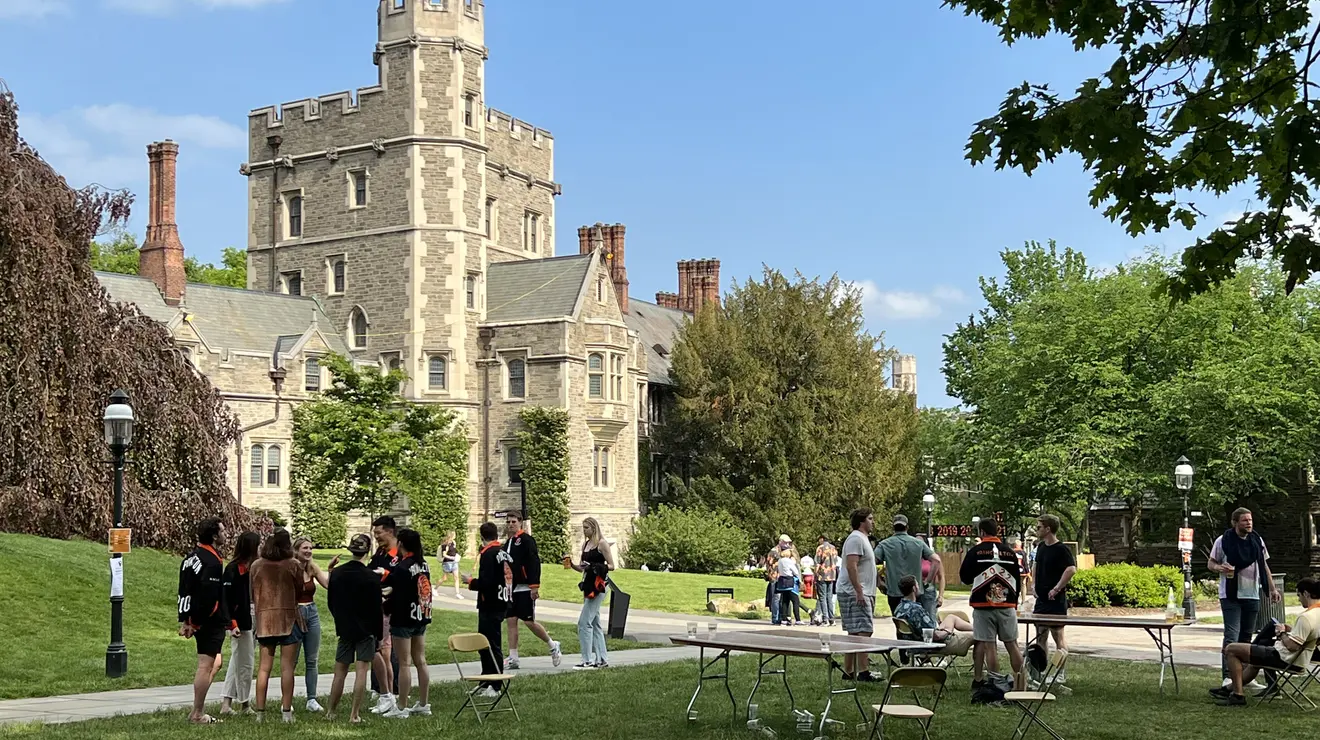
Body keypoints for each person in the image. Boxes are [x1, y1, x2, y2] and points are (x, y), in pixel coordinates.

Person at [1212, 577, 1320, 706]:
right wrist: (1290, 631)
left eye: (1299, 595)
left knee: (1231, 649)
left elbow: (1292, 646)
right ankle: (1228, 689)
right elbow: (1308, 637)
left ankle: (1238, 695)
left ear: (1306, 594)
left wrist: (1282, 633)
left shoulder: (1306, 617)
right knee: (1257, 657)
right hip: (1299, 659)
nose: (1298, 599)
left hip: (1285, 658)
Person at [1208, 507, 1282, 690]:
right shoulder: (1223, 541)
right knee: (1232, 636)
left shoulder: (1257, 541)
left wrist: (1272, 588)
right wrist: (1220, 568)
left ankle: (1246, 677)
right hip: (1231, 595)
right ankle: (1228, 677)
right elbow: (1211, 563)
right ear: (1234, 523)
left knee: (1247, 638)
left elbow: (1264, 565)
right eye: (1244, 520)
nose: (1249, 523)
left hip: (1252, 594)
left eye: (1250, 520)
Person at [177, 517, 233, 725]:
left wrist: (185, 619)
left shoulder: (191, 557)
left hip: (197, 617)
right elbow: (208, 598)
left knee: (216, 662)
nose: (226, 534)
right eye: (223, 531)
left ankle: (197, 707)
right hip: (207, 620)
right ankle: (197, 713)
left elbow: (184, 589)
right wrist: (195, 622)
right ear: (214, 535)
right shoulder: (211, 562)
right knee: (205, 665)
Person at [960, 517, 1024, 692]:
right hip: (1007, 604)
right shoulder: (1010, 553)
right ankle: (1022, 684)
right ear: (997, 531)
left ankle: (995, 683)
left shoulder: (975, 551)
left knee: (990, 645)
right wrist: (1014, 601)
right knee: (1012, 644)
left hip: (983, 604)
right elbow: (1017, 580)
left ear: (981, 532)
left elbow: (964, 578)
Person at [325, 534, 384, 723]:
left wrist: (340, 621)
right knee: (361, 672)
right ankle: (354, 714)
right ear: (367, 552)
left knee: (340, 672)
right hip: (366, 630)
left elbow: (331, 602)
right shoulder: (371, 577)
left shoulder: (337, 574)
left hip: (345, 628)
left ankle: (331, 712)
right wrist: (379, 635)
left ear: (351, 550)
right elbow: (377, 609)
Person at [251, 529, 305, 723]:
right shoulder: (294, 564)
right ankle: (286, 712)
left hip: (265, 621)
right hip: (289, 619)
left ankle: (260, 713)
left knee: (263, 669)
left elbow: (252, 591)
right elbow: (301, 589)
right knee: (287, 668)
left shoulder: (256, 565)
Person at [381, 528, 432, 718]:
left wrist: (387, 603)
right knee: (421, 660)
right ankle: (424, 703)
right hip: (421, 614)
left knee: (404, 663)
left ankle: (401, 707)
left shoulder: (403, 566)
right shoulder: (423, 564)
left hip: (404, 618)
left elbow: (398, 592)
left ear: (401, 544)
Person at [502, 511, 563, 669]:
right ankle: (513, 656)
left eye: (513, 522)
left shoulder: (527, 541)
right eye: (508, 522)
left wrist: (534, 586)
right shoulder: (507, 543)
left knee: (528, 621)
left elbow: (533, 562)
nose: (510, 525)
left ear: (520, 522)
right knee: (511, 620)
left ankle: (552, 644)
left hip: (524, 587)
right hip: (511, 587)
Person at [463, 521, 512, 699]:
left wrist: (470, 581)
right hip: (500, 601)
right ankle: (485, 681)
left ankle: (496, 684)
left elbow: (487, 582)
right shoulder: (502, 552)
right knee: (484, 644)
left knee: (491, 644)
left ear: (482, 536)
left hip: (490, 604)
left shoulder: (488, 554)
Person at [1031, 514, 1077, 683]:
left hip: (1056, 601)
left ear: (1048, 529)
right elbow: (1035, 565)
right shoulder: (1041, 547)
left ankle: (1060, 673)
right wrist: (1033, 584)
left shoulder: (1061, 549)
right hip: (1041, 600)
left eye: (1039, 527)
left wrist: (1057, 588)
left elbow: (1071, 569)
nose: (1037, 530)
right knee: (1040, 635)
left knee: (1058, 636)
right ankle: (1040, 671)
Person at [219, 531, 260, 717]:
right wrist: (231, 623)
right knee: (245, 662)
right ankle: (244, 703)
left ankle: (227, 703)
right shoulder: (233, 569)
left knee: (238, 660)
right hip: (240, 621)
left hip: (252, 617)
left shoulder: (254, 569)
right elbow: (225, 599)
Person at [569, 517, 616, 669]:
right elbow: (583, 568)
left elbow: (611, 565)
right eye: (583, 528)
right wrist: (572, 565)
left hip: (599, 585)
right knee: (595, 623)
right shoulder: (585, 545)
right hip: (588, 585)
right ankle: (602, 659)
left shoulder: (602, 544)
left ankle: (586, 659)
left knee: (584, 623)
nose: (584, 531)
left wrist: (595, 566)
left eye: (586, 528)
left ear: (594, 528)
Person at [838, 508, 878, 682]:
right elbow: (851, 565)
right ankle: (863, 671)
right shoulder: (855, 538)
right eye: (870, 519)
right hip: (855, 592)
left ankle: (849, 671)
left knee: (855, 633)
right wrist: (859, 591)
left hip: (862, 590)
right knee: (863, 631)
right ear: (862, 522)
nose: (873, 522)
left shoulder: (863, 539)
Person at [292, 536, 331, 713]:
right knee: (291, 660)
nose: (308, 551)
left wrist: (331, 570)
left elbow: (328, 585)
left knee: (312, 659)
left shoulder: (312, 567)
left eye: (310, 548)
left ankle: (312, 699)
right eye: (304, 548)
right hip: (295, 614)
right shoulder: (290, 567)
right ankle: (288, 699)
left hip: (312, 613)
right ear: (296, 550)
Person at [874, 514, 942, 616]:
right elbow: (936, 560)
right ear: (907, 527)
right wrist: (927, 581)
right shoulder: (919, 544)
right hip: (915, 591)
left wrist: (878, 582)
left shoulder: (884, 544)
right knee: (916, 623)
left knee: (900, 624)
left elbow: (869, 563)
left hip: (894, 592)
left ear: (893, 527)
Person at [368, 516, 402, 715]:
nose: (376, 536)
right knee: (378, 647)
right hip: (377, 606)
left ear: (389, 531)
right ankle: (379, 688)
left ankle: (393, 689)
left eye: (379, 533)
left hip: (394, 607)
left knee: (390, 652)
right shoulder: (380, 552)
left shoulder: (401, 554)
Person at [893, 575, 974, 656]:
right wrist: (948, 631)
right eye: (917, 584)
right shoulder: (916, 610)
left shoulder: (899, 608)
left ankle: (978, 629)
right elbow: (935, 636)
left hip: (914, 644)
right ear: (914, 588)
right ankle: (979, 665)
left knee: (951, 617)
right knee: (977, 637)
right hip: (935, 645)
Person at [814, 535, 839, 627]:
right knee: (829, 597)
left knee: (822, 598)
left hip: (822, 575)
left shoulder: (820, 548)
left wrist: (815, 575)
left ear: (822, 538)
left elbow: (817, 562)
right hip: (832, 575)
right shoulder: (833, 548)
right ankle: (832, 619)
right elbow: (836, 561)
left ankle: (825, 619)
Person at [774, 548, 804, 626]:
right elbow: (795, 572)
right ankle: (798, 619)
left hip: (782, 582)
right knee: (795, 601)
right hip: (790, 581)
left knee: (785, 601)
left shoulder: (780, 561)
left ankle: (784, 620)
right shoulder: (789, 561)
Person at [438, 531, 463, 599]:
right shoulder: (445, 545)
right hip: (447, 563)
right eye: (454, 534)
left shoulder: (453, 543)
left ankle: (457, 593)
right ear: (451, 535)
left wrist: (456, 556)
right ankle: (435, 588)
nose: (455, 535)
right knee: (444, 578)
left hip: (454, 562)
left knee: (456, 577)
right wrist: (451, 557)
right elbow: (444, 554)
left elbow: (454, 551)